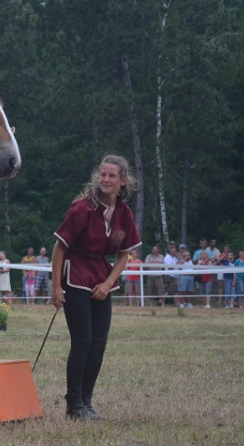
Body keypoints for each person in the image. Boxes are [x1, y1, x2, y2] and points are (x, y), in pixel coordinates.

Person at [52, 154, 141, 420]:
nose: (106, 179)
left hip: (101, 277)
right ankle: (74, 405)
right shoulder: (82, 208)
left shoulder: (124, 214)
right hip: (75, 275)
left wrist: (108, 282)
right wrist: (56, 286)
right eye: (103, 174)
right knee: (83, 342)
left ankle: (87, 402)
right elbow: (60, 247)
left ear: (122, 181)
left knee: (99, 344)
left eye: (112, 175)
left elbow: (124, 254)